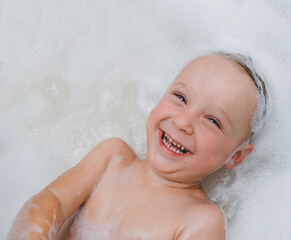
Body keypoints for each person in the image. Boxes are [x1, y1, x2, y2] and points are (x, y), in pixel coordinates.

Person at [7, 50, 270, 240]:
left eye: (212, 120)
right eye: (180, 97)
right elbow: (51, 201)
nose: (183, 122)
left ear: (236, 157)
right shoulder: (112, 159)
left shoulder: (201, 220)